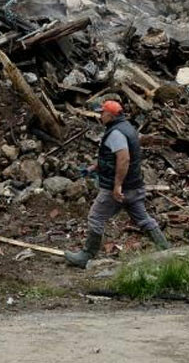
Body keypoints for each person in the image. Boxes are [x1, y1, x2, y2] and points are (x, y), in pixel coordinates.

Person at [65, 100, 169, 268]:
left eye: (102, 113)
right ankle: (166, 251)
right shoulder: (127, 128)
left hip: (119, 188)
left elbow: (124, 158)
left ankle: (86, 255)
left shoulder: (115, 134)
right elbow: (113, 158)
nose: (100, 116)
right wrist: (93, 168)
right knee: (144, 220)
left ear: (111, 115)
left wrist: (117, 185)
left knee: (96, 217)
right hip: (134, 185)